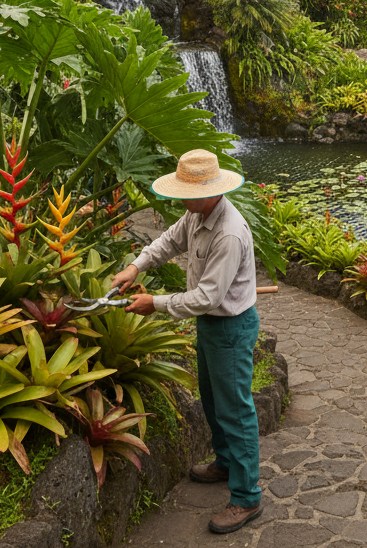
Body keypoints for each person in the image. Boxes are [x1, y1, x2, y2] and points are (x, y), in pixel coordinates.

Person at [111, 148, 263, 535]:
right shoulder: (197, 214)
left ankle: (246, 496)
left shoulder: (229, 232)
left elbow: (207, 297)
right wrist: (135, 266)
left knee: (236, 411)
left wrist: (155, 303)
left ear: (210, 191)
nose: (181, 200)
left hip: (230, 327)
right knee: (213, 400)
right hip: (211, 325)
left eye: (186, 193)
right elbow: (169, 241)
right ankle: (225, 463)